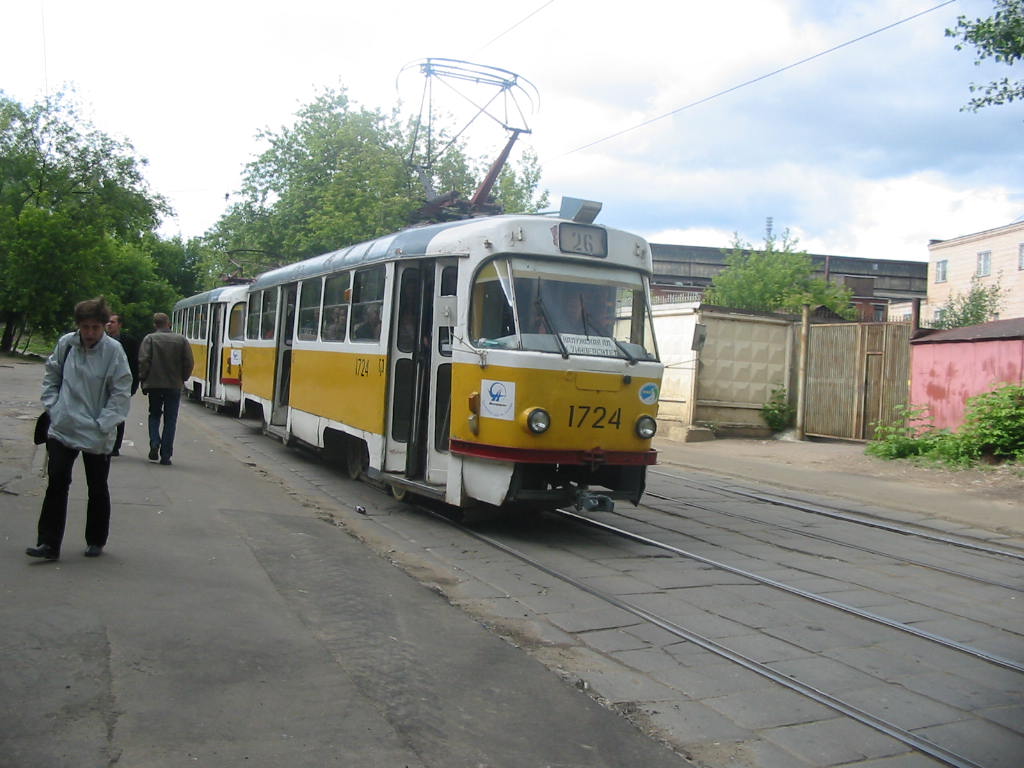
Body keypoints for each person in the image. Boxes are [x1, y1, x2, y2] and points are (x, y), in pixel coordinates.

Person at [26, 297, 132, 561]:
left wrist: (104, 423)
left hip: (97, 430)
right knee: (57, 482)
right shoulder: (67, 344)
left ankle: (95, 539)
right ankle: (48, 544)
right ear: (78, 326)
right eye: (85, 327)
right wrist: (54, 407)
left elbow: (120, 391)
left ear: (104, 326)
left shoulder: (114, 351)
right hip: (64, 426)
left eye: (95, 327)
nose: (90, 333)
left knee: (97, 485)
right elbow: (52, 375)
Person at [138, 312, 194, 466]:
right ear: (168, 323)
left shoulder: (149, 339)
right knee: (170, 420)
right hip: (173, 385)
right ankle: (166, 455)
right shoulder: (181, 340)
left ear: (155, 324)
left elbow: (143, 361)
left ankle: (155, 442)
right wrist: (183, 378)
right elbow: (189, 362)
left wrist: (143, 380)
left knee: (154, 414)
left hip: (154, 384)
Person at [106, 313, 140, 456]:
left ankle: (115, 446)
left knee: (119, 415)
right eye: (107, 322)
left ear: (119, 325)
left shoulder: (129, 342)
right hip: (104, 384)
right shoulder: (102, 341)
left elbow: (135, 365)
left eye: (112, 322)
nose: (109, 324)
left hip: (122, 385)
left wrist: (133, 386)